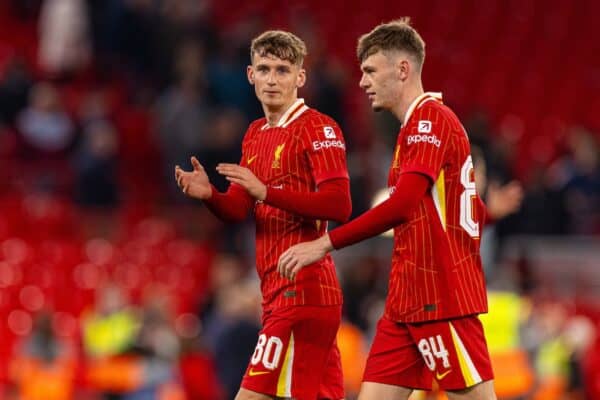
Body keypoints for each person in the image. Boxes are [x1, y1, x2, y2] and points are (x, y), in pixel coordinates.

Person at [278, 18, 511, 400]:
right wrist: (490, 212)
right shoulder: (417, 128)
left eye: (370, 70)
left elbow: (402, 205)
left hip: (441, 297)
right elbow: (442, 211)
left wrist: (324, 244)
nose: (363, 82)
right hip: (405, 301)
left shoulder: (429, 120)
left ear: (402, 69)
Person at [175, 30, 350, 400]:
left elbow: (339, 204)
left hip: (304, 291)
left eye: (283, 70)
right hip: (274, 293)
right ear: (250, 75)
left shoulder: (318, 127)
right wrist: (210, 196)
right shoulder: (255, 133)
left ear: (300, 77)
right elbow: (239, 207)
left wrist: (267, 192)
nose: (273, 79)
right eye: (265, 69)